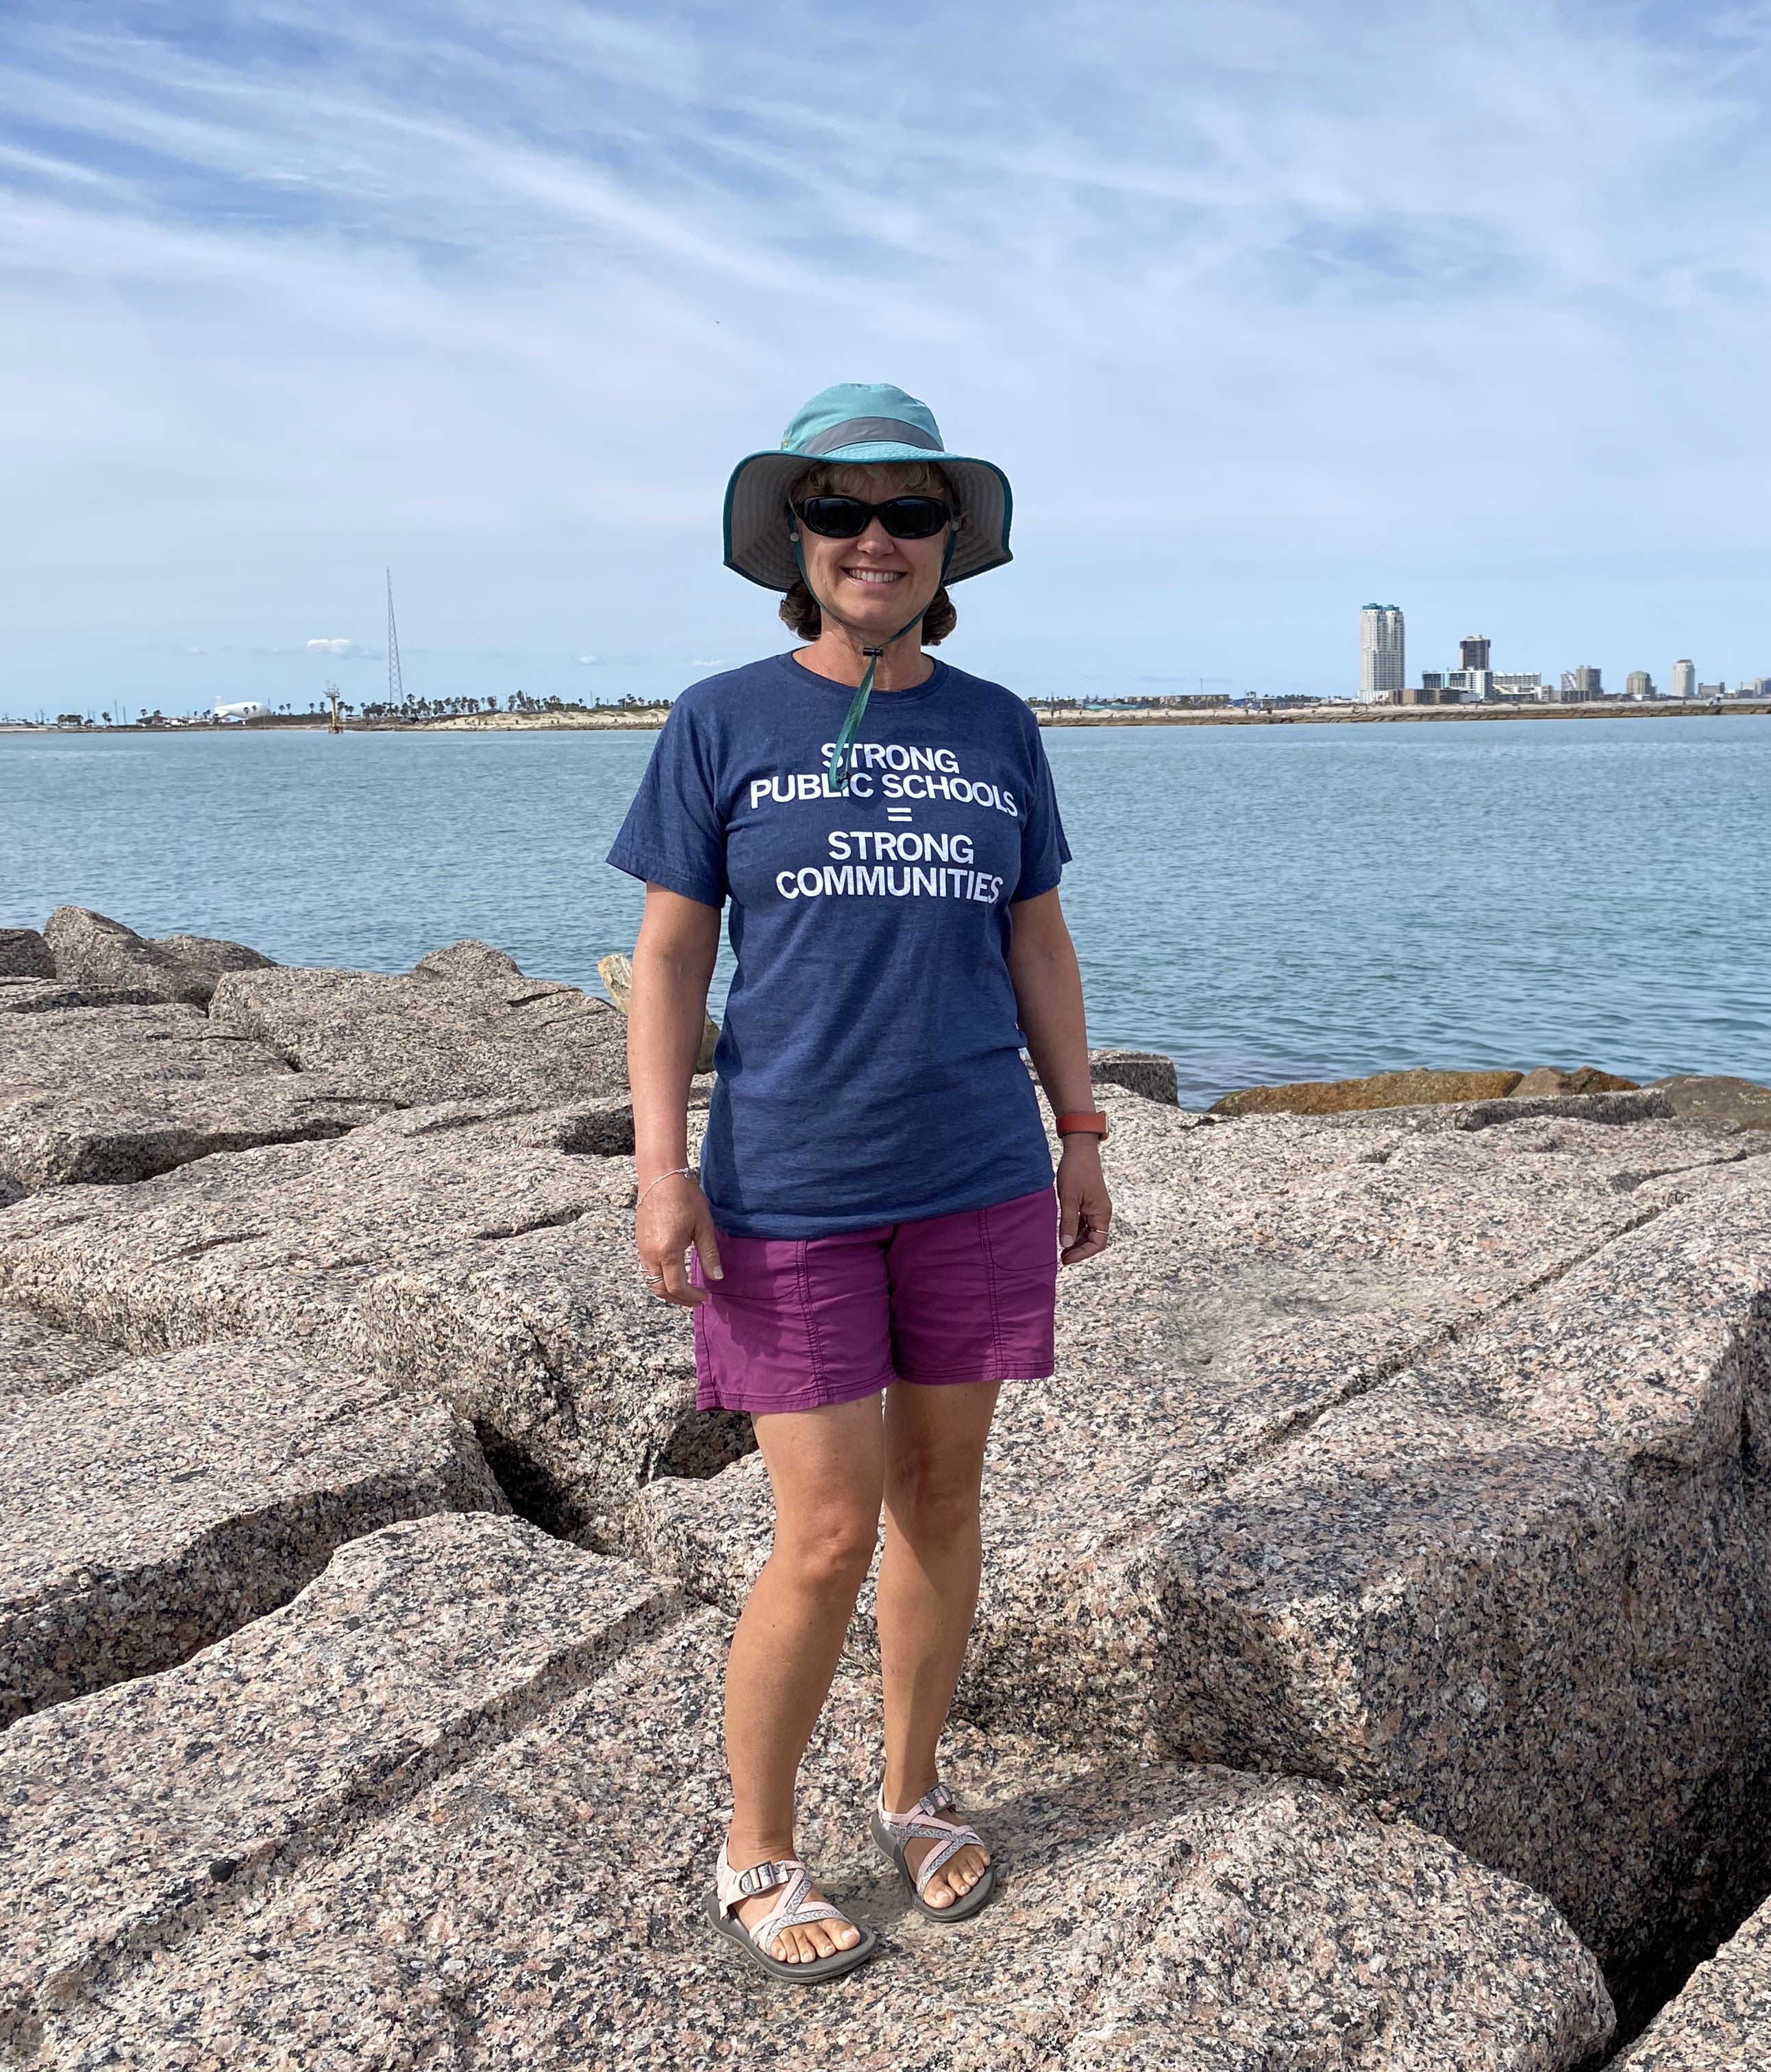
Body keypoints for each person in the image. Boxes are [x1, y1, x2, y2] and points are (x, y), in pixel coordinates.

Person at [607, 382, 1113, 1984]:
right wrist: (660, 1166)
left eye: (907, 512)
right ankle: (755, 1846)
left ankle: (912, 1790)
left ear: (950, 540)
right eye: (840, 511)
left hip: (972, 1171)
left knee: (942, 1499)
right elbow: (672, 953)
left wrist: (1081, 1130)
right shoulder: (723, 717)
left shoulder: (996, 723)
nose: (874, 538)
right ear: (798, 541)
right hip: (789, 1187)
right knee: (821, 1534)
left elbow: (1034, 932)